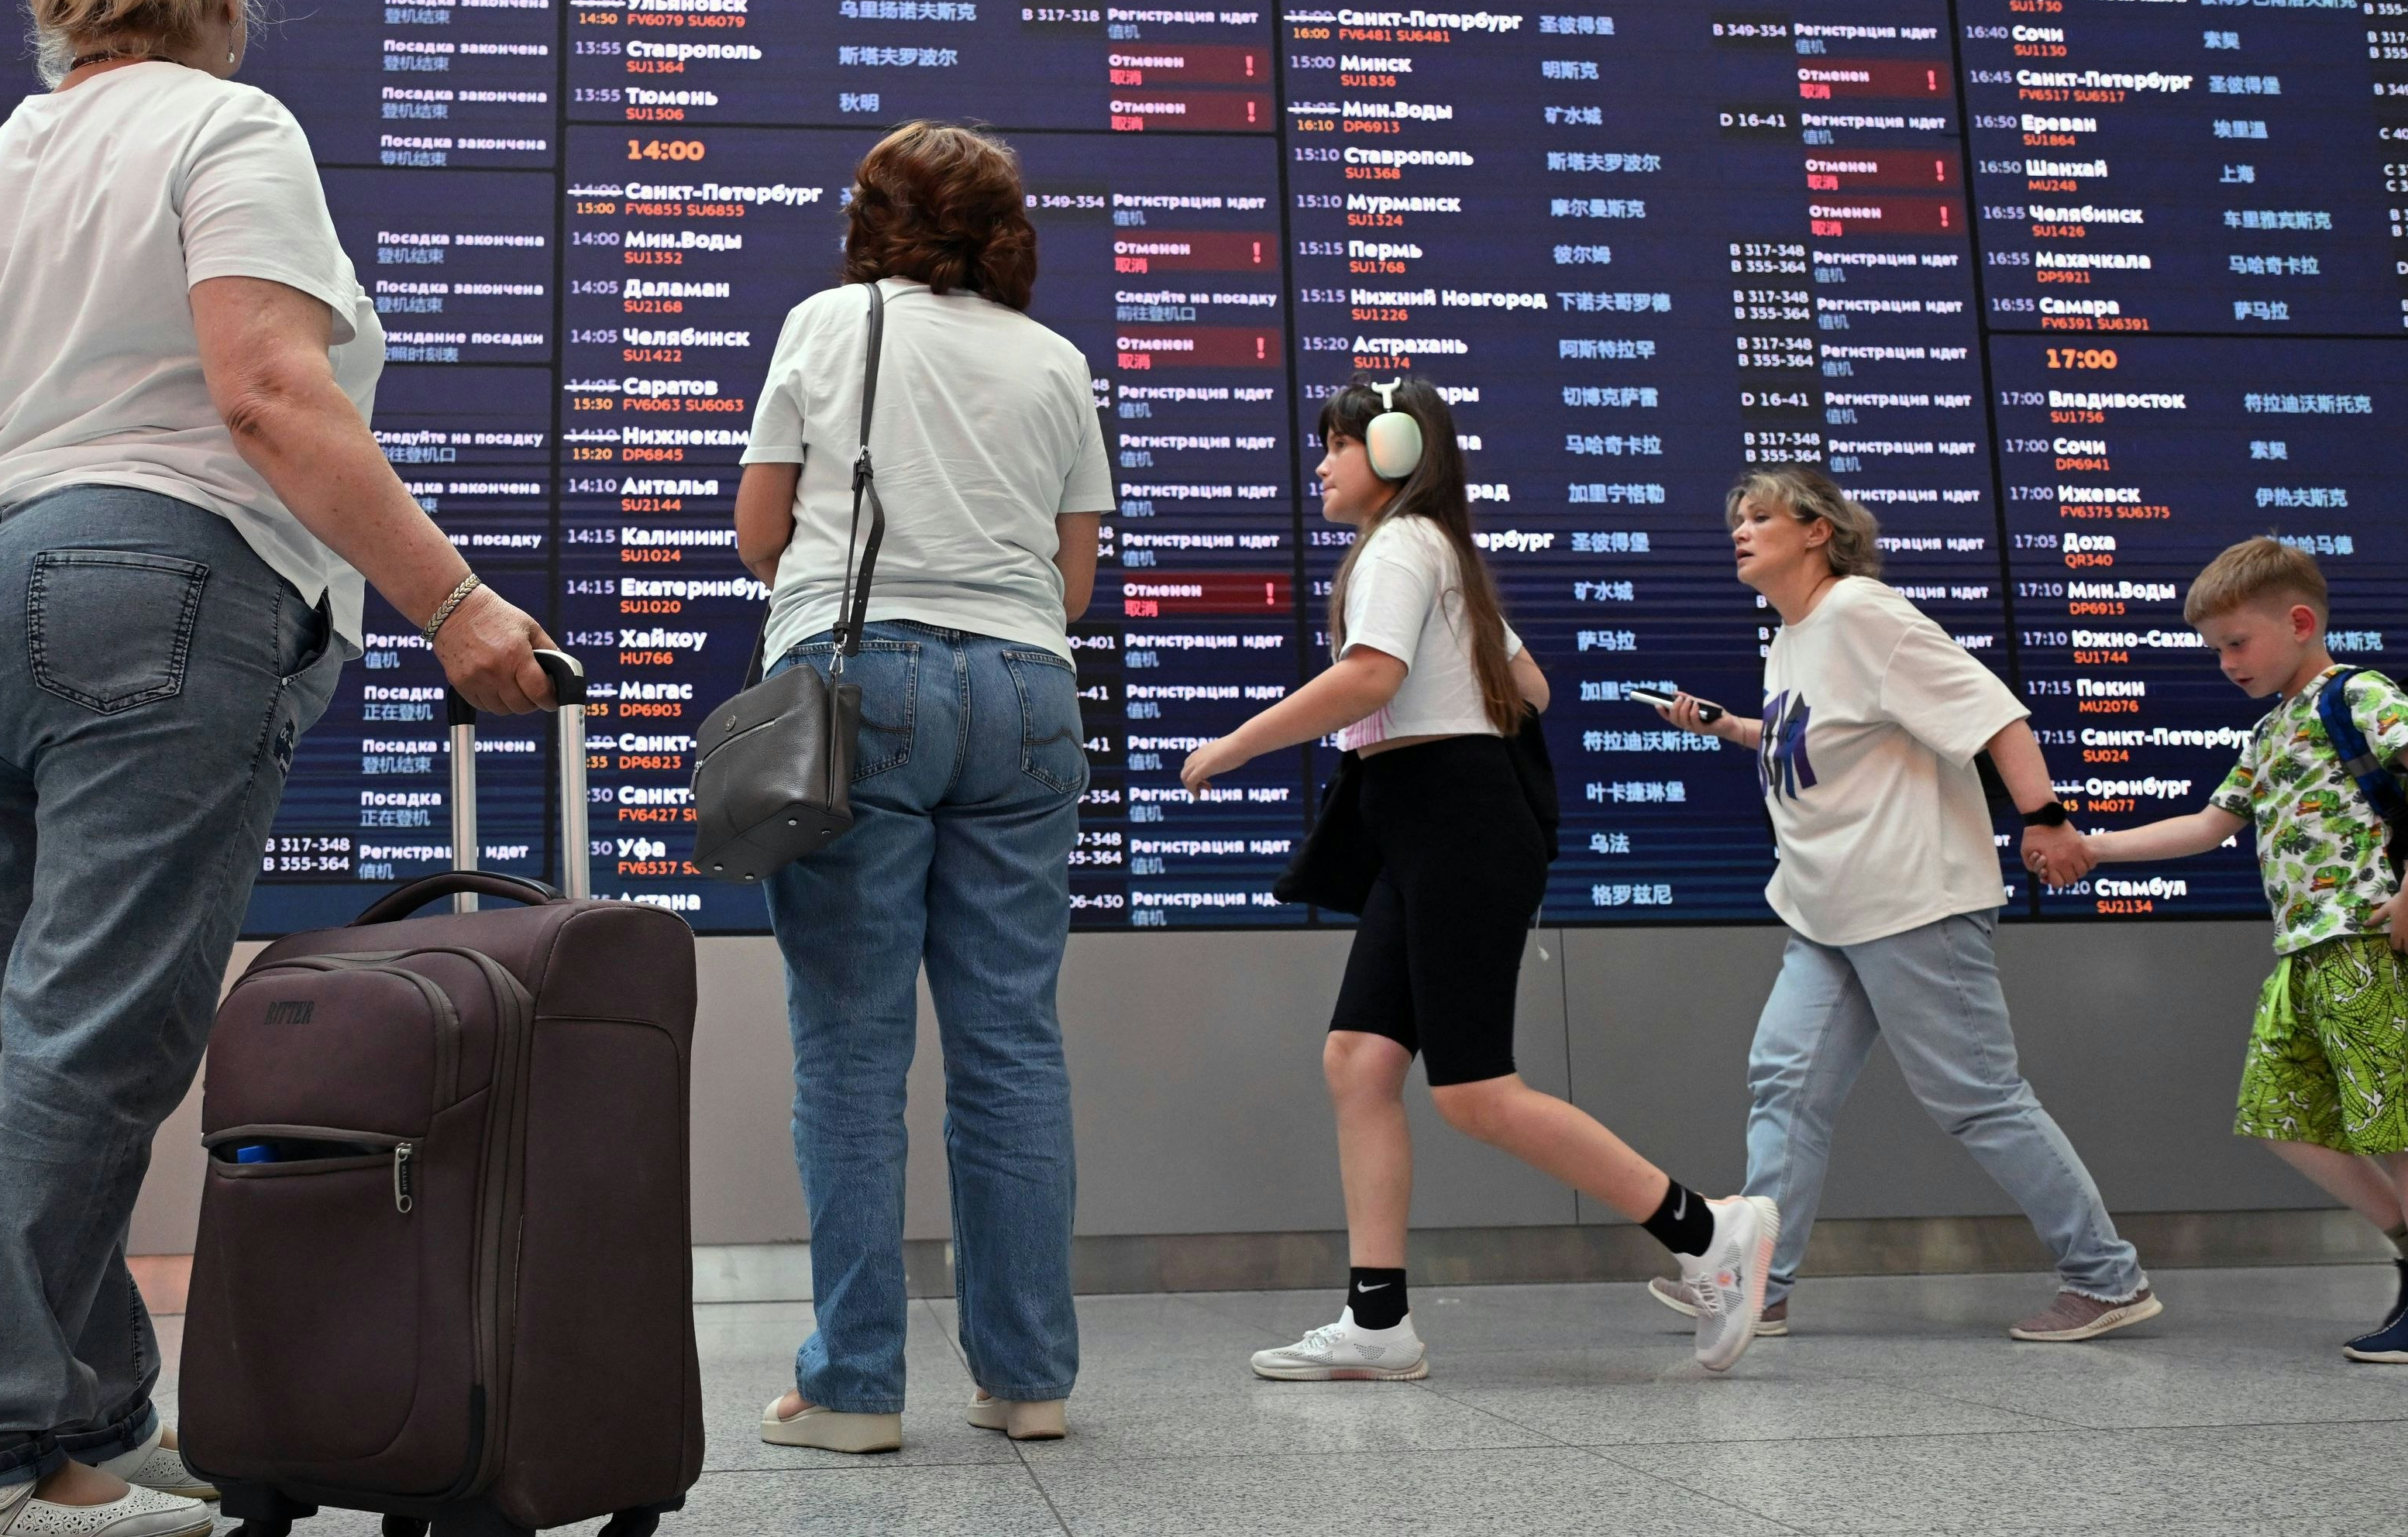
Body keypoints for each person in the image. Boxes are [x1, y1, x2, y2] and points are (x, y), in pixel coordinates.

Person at [0, 0, 556, 1536]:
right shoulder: (230, 127)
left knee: (35, 1036)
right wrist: (457, 603)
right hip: (152, 589)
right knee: (98, 1040)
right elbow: (266, 392)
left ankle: (82, 1426)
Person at [1185, 378, 1780, 1377]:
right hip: (1428, 818)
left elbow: (1371, 675)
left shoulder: (1402, 547)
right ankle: (1377, 1324)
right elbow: (1534, 687)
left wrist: (1236, 745)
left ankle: (1708, 1231)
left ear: (1388, 449)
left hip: (1451, 821)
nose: (1320, 463)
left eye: (1334, 444)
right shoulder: (1440, 555)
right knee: (1359, 1061)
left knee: (1473, 1090)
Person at [732, 122, 1109, 1452]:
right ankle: (1029, 1377)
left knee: (851, 1044)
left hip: (862, 686)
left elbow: (762, 532)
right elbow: (1073, 582)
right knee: (1011, 1041)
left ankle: (854, 1387)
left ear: (870, 219)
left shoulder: (826, 329)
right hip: (1026, 692)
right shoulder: (1058, 362)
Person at [1643, 466, 2160, 1343]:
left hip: (1911, 899)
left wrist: (2046, 819)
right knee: (1785, 1087)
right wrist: (1727, 728)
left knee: (1977, 1098)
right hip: (1826, 909)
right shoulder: (1792, 634)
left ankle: (2107, 1278)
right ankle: (1758, 1285)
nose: (1740, 529)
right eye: (1736, 518)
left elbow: (1995, 717)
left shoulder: (1863, 614)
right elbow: (1813, 740)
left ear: (1817, 531)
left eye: (1760, 515)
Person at [2063, 538, 2408, 1362]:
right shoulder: (2271, 732)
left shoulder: (2357, 696)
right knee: (2277, 1117)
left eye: (2237, 643)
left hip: (2367, 945)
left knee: (2397, 1128)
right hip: (2303, 955)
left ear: (2299, 622)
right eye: (2215, 649)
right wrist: (2096, 848)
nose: (2226, 662)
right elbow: (2206, 825)